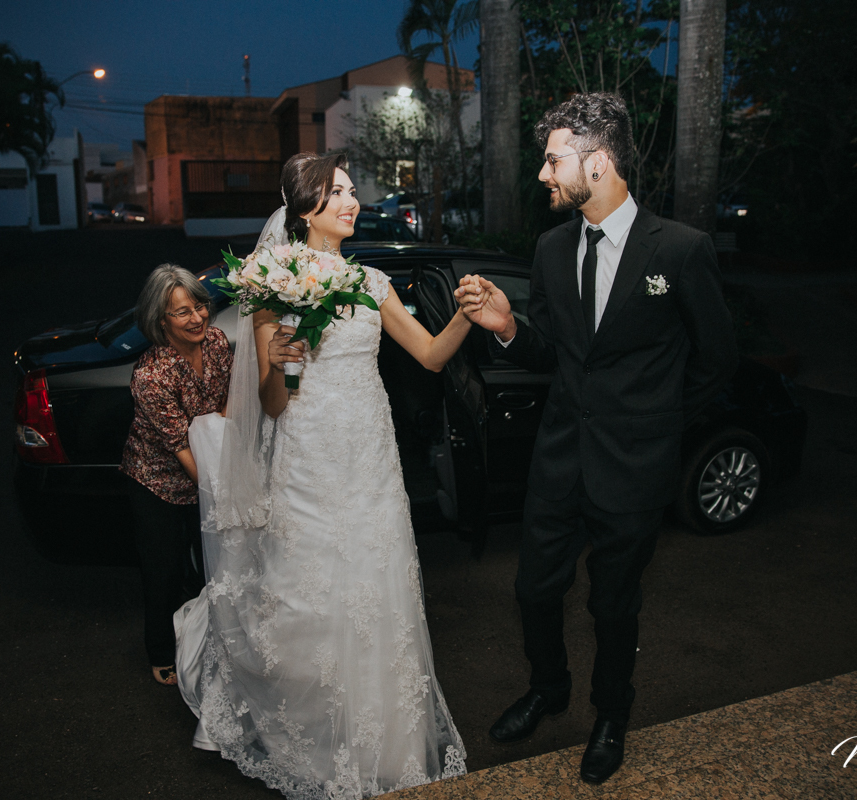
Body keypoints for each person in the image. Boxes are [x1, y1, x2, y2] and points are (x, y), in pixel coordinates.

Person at [456, 93, 738, 784]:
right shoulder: (551, 249)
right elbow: (554, 354)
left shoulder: (681, 249)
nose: (544, 174)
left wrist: (660, 425)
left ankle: (611, 714)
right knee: (533, 590)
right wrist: (507, 326)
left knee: (613, 604)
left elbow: (717, 359)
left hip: (634, 468)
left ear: (599, 162)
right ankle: (548, 689)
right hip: (559, 459)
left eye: (554, 160)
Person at [174, 152, 468, 798]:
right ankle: (313, 741)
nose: (352, 201)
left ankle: (386, 746)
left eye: (353, 191)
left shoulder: (374, 283)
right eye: (337, 192)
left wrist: (467, 315)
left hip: (371, 462)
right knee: (307, 598)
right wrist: (281, 362)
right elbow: (274, 404)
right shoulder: (271, 287)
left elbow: (429, 354)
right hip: (306, 463)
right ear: (306, 207)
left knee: (378, 587)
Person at [121, 264, 231, 685]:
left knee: (213, 565)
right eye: (182, 312)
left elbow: (229, 402)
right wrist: (221, 491)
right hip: (158, 480)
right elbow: (181, 445)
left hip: (208, 465)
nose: (198, 317)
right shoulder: (150, 376)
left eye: (199, 306)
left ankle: (213, 640)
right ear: (160, 320)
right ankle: (161, 652)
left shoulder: (217, 342)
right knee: (163, 569)